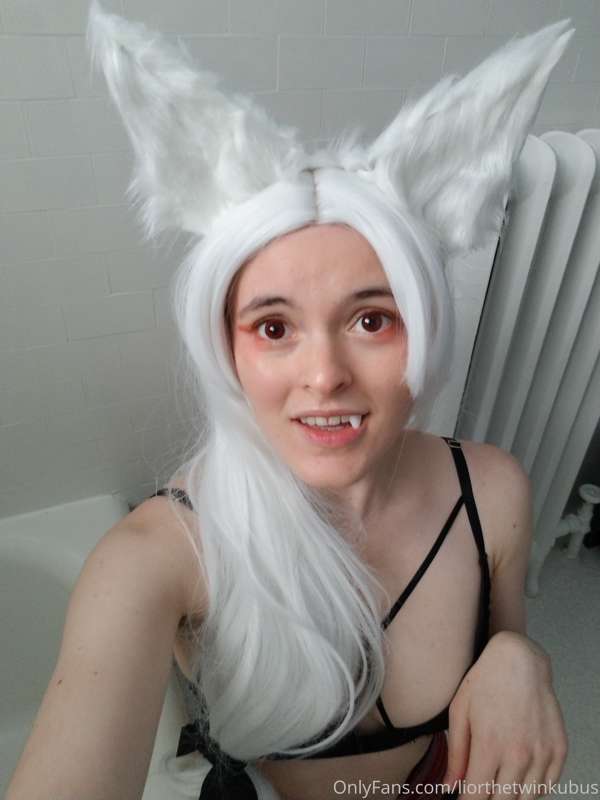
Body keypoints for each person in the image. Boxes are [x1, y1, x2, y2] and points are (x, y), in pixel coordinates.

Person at [6, 4, 571, 800]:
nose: (324, 375)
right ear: (228, 350)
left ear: (426, 329)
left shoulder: (495, 493)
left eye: (371, 320)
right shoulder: (158, 559)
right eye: (274, 328)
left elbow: (495, 665)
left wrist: (521, 656)